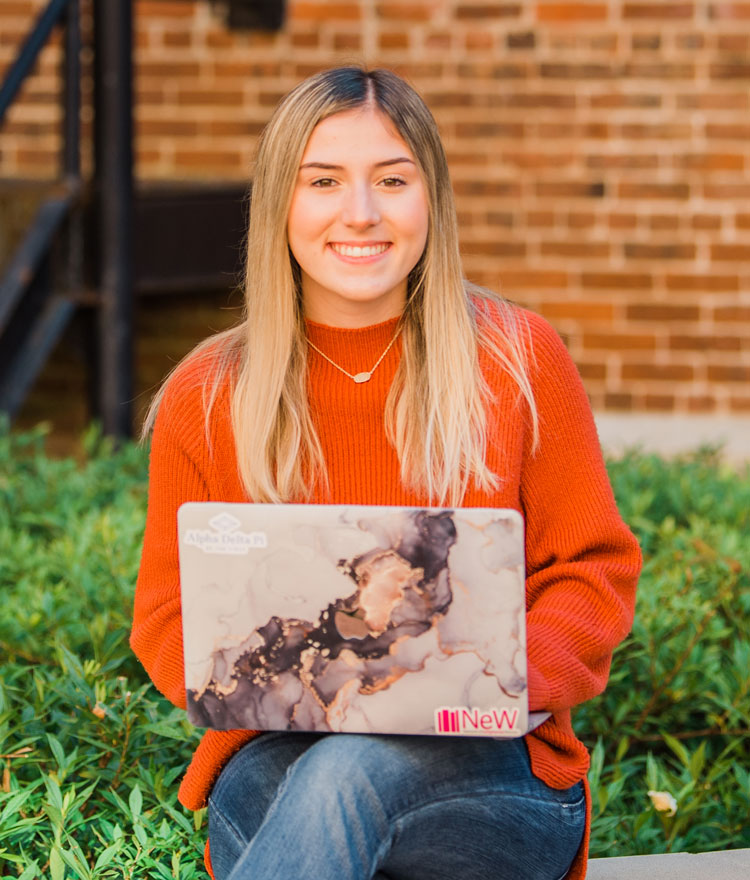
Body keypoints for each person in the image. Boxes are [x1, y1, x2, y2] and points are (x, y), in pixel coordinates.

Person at [131, 66, 642, 880]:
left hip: (495, 779)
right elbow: (166, 615)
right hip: (277, 756)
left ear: (429, 197)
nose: (360, 213)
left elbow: (593, 574)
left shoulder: (517, 360)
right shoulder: (207, 393)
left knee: (348, 776)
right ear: (281, 206)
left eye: (392, 180)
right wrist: (288, 686)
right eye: (324, 181)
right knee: (320, 779)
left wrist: (490, 684)